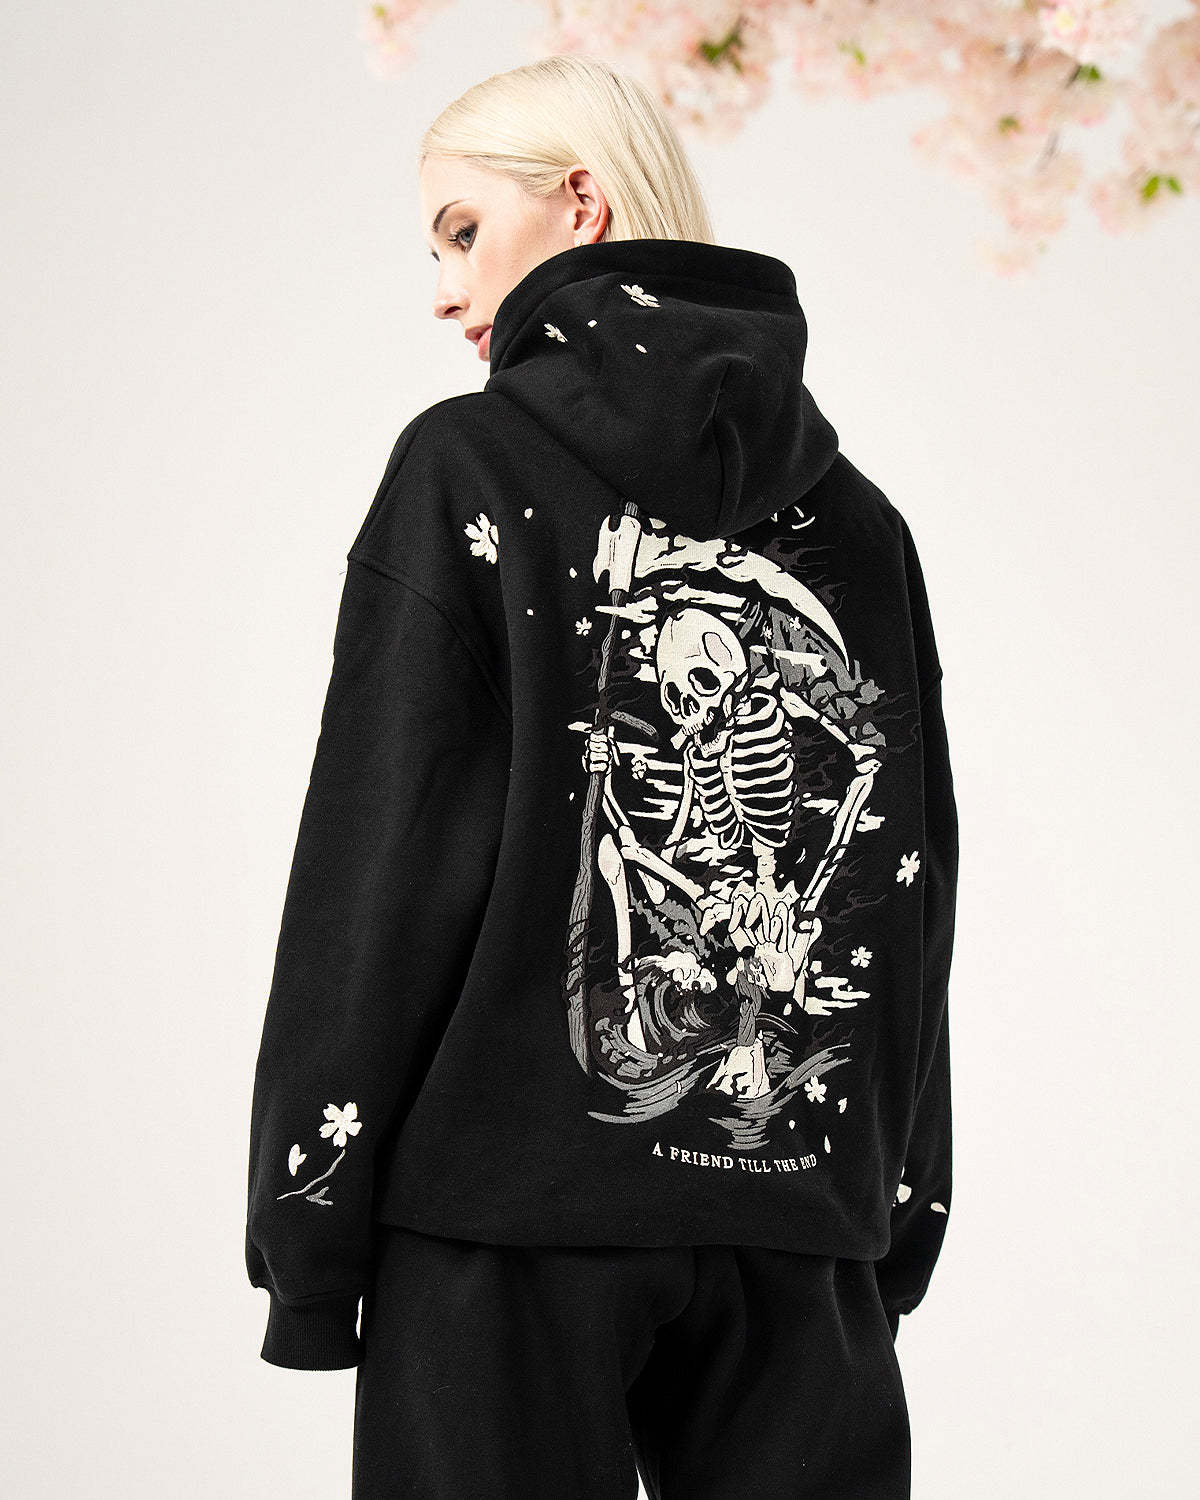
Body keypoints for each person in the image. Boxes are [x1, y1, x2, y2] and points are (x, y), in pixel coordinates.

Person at [244, 53, 959, 1500]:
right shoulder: (861, 523)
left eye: (460, 231)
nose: (444, 290)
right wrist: (893, 1208)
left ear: (580, 203)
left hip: (505, 1221)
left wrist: (309, 1228)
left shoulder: (466, 466)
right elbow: (915, 894)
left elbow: (383, 862)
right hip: (797, 1220)